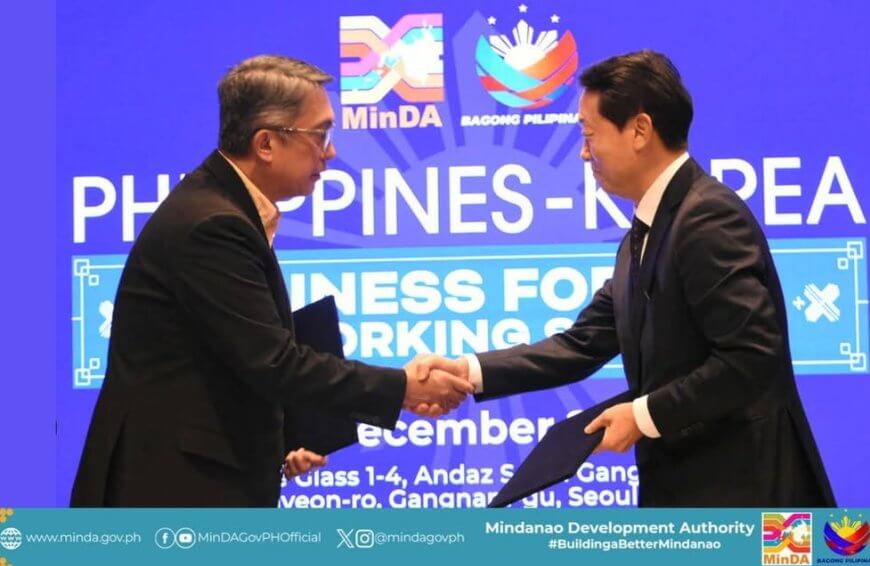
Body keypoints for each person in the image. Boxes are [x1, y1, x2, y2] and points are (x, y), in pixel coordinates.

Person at [418, 50, 835, 507]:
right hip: (689, 493)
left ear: (639, 130)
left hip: (747, 500)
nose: (582, 152)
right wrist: (469, 373)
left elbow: (751, 357)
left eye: (589, 134)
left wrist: (643, 415)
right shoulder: (646, 231)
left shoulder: (707, 219)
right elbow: (582, 343)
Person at [71, 55, 472, 507]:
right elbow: (273, 362)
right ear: (266, 143)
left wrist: (286, 434)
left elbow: (224, 360)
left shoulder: (224, 208)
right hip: (170, 493)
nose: (331, 151)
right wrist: (403, 388)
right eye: (320, 134)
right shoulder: (212, 224)